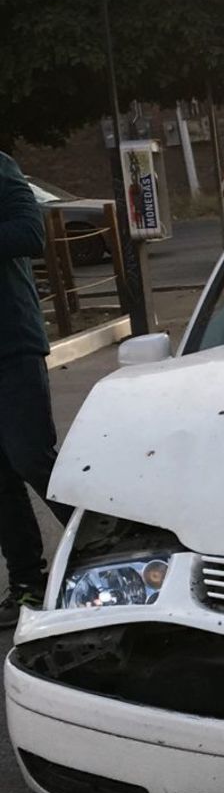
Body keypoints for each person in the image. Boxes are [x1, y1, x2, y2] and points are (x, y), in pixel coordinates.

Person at [0, 152, 68, 625]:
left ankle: (118, 544)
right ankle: (27, 582)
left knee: (32, 458)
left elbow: (31, 232)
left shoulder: (1, 169)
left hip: (12, 344)